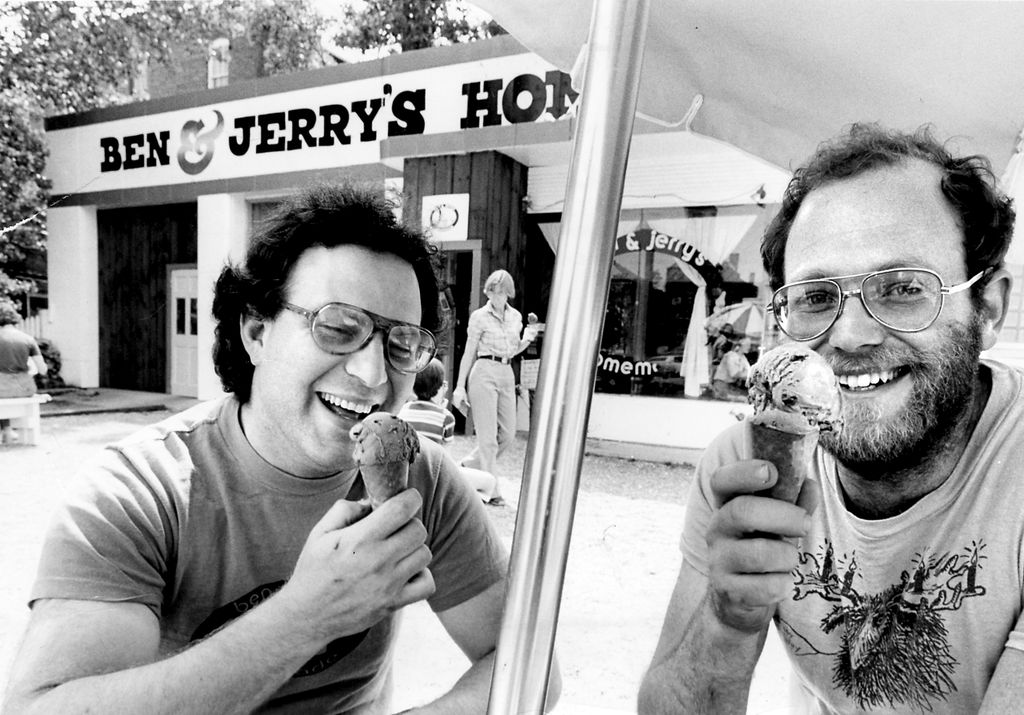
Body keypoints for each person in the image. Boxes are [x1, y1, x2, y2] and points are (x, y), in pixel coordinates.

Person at [4, 184, 560, 714]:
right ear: (256, 332)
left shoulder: (423, 480)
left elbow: (530, 668)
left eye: (401, 344)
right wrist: (306, 615)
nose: (371, 374)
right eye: (337, 327)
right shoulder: (137, 492)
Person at [639, 123, 1023, 714]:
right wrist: (728, 620)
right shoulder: (746, 468)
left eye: (901, 288)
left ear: (989, 309)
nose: (849, 335)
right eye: (817, 297)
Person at [451, 269, 538, 506]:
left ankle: (468, 467)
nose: (496, 296)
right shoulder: (479, 316)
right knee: (487, 439)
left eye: (500, 292)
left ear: (508, 293)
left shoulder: (516, 317)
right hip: (484, 370)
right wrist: (459, 386)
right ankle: (492, 490)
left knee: (508, 435)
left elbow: (513, 349)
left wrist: (528, 337)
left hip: (506, 371)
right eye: (492, 292)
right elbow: (469, 351)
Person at [398, 358, 500, 502]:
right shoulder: (446, 418)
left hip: (406, 476)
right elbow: (446, 459)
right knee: (489, 481)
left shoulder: (402, 411)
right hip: (433, 477)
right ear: (440, 386)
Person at [0, 299, 47, 445]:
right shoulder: (28, 339)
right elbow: (43, 370)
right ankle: (7, 430)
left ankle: (6, 429)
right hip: (24, 389)